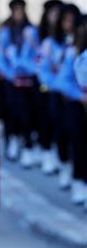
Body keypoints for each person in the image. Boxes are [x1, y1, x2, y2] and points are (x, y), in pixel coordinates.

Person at [38, 3, 81, 189]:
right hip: (57, 94)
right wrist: (60, 85)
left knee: (77, 137)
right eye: (66, 20)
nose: (69, 24)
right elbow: (43, 70)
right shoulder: (50, 44)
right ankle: (65, 166)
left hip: (77, 98)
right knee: (60, 132)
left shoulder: (79, 43)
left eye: (73, 20)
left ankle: (78, 173)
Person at [0, 0, 37, 164]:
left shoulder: (31, 31)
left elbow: (37, 56)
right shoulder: (6, 32)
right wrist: (11, 75)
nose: (19, 14)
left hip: (29, 80)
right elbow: (0, 58)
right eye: (15, 10)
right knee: (11, 112)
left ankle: (28, 145)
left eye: (21, 10)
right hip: (11, 81)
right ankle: (12, 140)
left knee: (28, 113)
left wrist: (26, 68)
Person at [55, 14, 86, 206]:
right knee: (79, 144)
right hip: (77, 105)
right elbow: (62, 81)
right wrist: (80, 95)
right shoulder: (73, 53)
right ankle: (79, 182)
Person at [32, 0, 64, 174]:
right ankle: (47, 154)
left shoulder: (66, 38)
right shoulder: (41, 37)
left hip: (64, 89)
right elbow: (40, 65)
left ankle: (61, 157)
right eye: (52, 13)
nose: (55, 17)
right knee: (45, 119)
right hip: (47, 87)